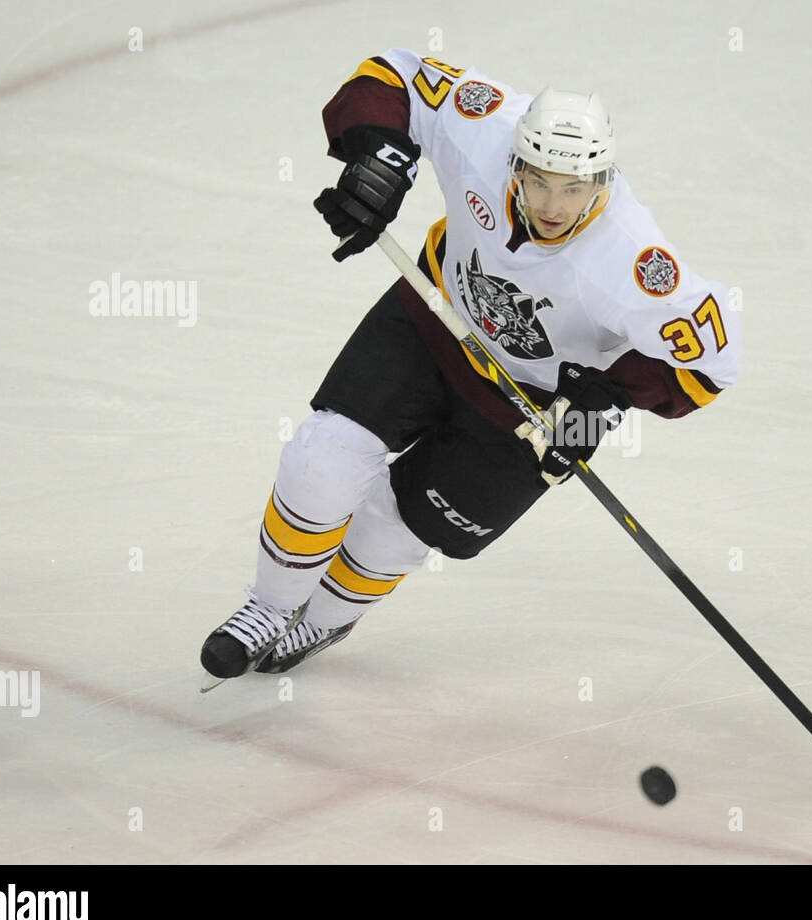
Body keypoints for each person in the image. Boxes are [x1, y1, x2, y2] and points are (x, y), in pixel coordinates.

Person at [199, 49, 743, 681]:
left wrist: (602, 404)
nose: (552, 205)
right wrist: (378, 157)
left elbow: (712, 363)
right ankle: (268, 607)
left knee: (398, 528)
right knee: (323, 459)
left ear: (603, 180)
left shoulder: (634, 261)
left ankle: (324, 615)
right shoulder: (484, 122)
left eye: (573, 188)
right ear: (515, 158)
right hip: (433, 318)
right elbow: (393, 74)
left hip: (530, 405)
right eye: (537, 179)